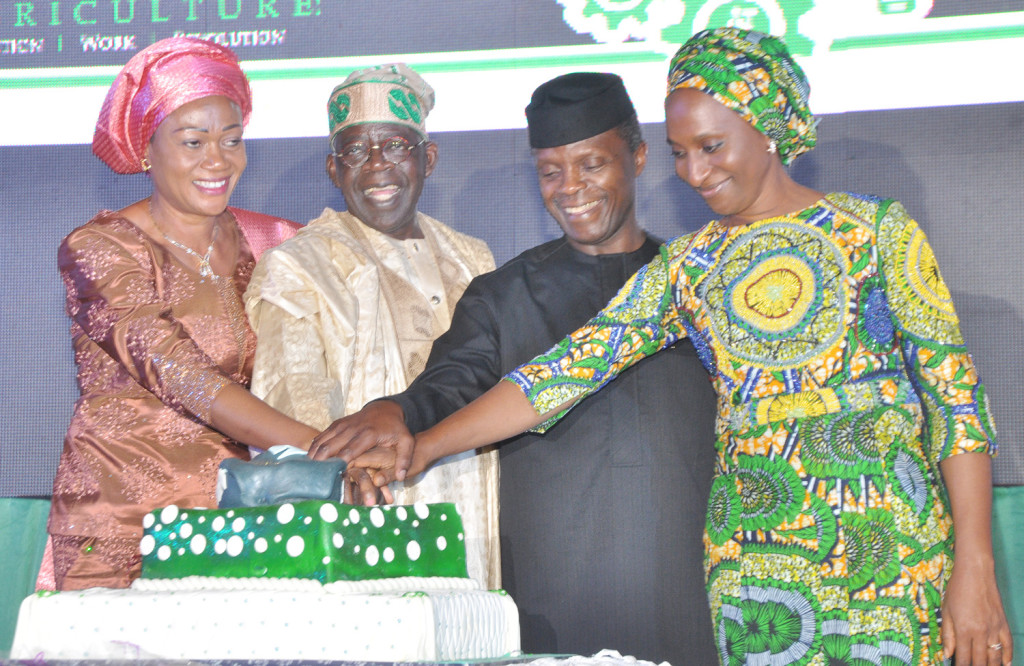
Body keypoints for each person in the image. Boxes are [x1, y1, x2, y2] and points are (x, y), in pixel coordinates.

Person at [341, 29, 1014, 666]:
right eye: (681, 152)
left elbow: (956, 401)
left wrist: (975, 564)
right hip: (759, 572)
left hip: (892, 553)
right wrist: (424, 446)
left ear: (769, 127)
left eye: (712, 147)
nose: (693, 171)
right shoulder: (691, 267)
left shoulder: (875, 231)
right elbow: (558, 375)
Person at [309, 72, 718, 663]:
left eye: (592, 165)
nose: (571, 188)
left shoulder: (695, 283)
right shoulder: (503, 294)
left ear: (638, 155)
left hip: (692, 577)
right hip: (555, 586)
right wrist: (393, 413)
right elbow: (449, 383)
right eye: (551, 171)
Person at [48, 37, 319, 591]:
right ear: (147, 148)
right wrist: (320, 447)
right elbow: (182, 376)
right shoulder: (100, 248)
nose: (218, 161)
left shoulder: (275, 241)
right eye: (194, 141)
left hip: (234, 520)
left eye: (233, 140)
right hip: (122, 530)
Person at [242, 64, 499, 587]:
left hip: (471, 505)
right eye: (356, 151)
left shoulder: (473, 259)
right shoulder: (298, 265)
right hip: (358, 513)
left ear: (426, 158)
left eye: (396, 147)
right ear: (334, 170)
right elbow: (293, 389)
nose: (376, 165)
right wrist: (343, 466)